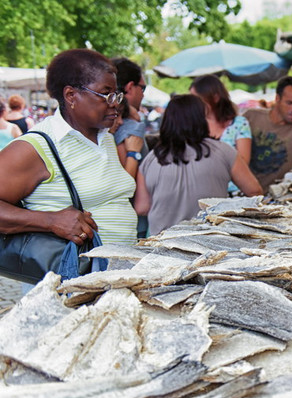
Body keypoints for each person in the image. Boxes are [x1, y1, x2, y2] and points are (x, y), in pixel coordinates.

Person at [0, 48, 138, 261]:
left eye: (117, 95)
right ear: (71, 95)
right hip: (70, 281)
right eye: (106, 94)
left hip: (118, 274)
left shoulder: (106, 137)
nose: (115, 103)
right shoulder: (37, 146)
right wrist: (49, 221)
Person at [133, 94, 262, 236]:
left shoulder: (151, 159)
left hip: (162, 244)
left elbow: (142, 208)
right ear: (201, 119)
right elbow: (254, 191)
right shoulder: (224, 151)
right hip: (210, 241)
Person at [111, 57, 148, 237]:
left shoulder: (125, 122)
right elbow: (125, 182)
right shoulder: (128, 127)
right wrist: (134, 154)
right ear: (130, 87)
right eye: (143, 88)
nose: (144, 94)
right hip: (129, 221)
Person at [189, 75, 251, 166]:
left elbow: (244, 162)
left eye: (197, 100)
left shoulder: (239, 124)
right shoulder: (192, 123)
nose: (193, 104)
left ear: (215, 98)